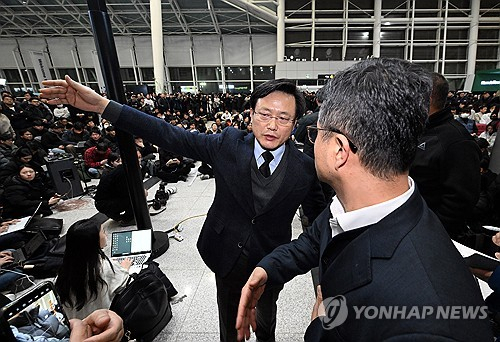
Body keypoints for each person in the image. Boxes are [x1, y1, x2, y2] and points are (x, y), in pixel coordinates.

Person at [41, 76, 326, 342]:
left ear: (295, 123)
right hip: (226, 254)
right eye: (265, 114)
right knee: (229, 322)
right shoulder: (227, 144)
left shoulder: (305, 168)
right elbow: (168, 134)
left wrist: (322, 275)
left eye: (283, 118)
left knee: (266, 318)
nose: (272, 125)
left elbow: (317, 222)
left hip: (272, 259)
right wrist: (103, 106)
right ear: (251, 114)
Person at [236, 58, 492, 341]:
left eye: (317, 133)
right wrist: (267, 269)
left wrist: (320, 326)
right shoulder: (362, 202)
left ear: (339, 150)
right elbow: (315, 241)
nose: (313, 142)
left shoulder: (428, 325)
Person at [410, 72, 481, 242]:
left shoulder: (456, 140)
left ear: (426, 98)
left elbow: (460, 200)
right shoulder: (416, 129)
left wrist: (431, 232)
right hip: (409, 225)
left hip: (430, 236)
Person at [55, 219, 131, 320]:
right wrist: (124, 268)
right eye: (103, 232)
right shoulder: (103, 268)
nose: (106, 234)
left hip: (76, 325)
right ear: (94, 240)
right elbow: (122, 283)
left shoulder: (63, 272)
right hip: (102, 322)